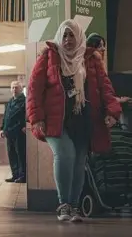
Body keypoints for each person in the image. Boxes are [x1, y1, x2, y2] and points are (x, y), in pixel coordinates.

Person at [27, 19, 122, 222]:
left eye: (72, 35)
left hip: (83, 119)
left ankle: (75, 206)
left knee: (79, 162)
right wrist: (36, 118)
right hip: (55, 120)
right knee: (65, 154)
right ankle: (64, 204)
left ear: (79, 37)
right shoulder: (48, 56)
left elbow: (106, 88)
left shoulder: (91, 59)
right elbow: (34, 89)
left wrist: (113, 111)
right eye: (64, 35)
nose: (68, 40)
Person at [0, 81, 26, 183]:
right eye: (13, 88)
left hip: (19, 132)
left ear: (21, 88)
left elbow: (27, 115)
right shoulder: (10, 102)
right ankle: (15, 175)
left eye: (16, 87)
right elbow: (6, 117)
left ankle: (23, 176)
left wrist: (24, 126)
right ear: (10, 89)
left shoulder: (25, 101)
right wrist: (2, 129)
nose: (14, 89)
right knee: (12, 155)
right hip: (9, 133)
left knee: (20, 155)